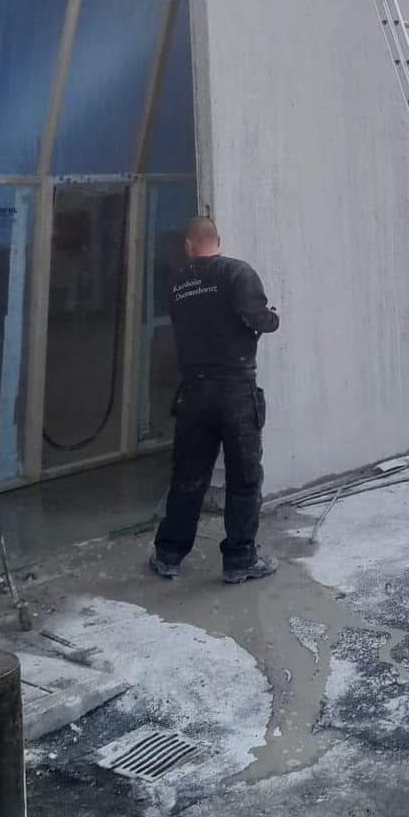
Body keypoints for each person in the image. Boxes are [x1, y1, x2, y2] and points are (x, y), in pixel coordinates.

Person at [151, 216, 280, 584]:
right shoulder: (236, 272)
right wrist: (272, 319)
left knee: (188, 476)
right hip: (235, 390)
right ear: (217, 240)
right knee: (244, 477)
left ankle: (168, 555)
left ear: (188, 245)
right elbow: (257, 317)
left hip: (193, 392)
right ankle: (240, 560)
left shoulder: (178, 284)